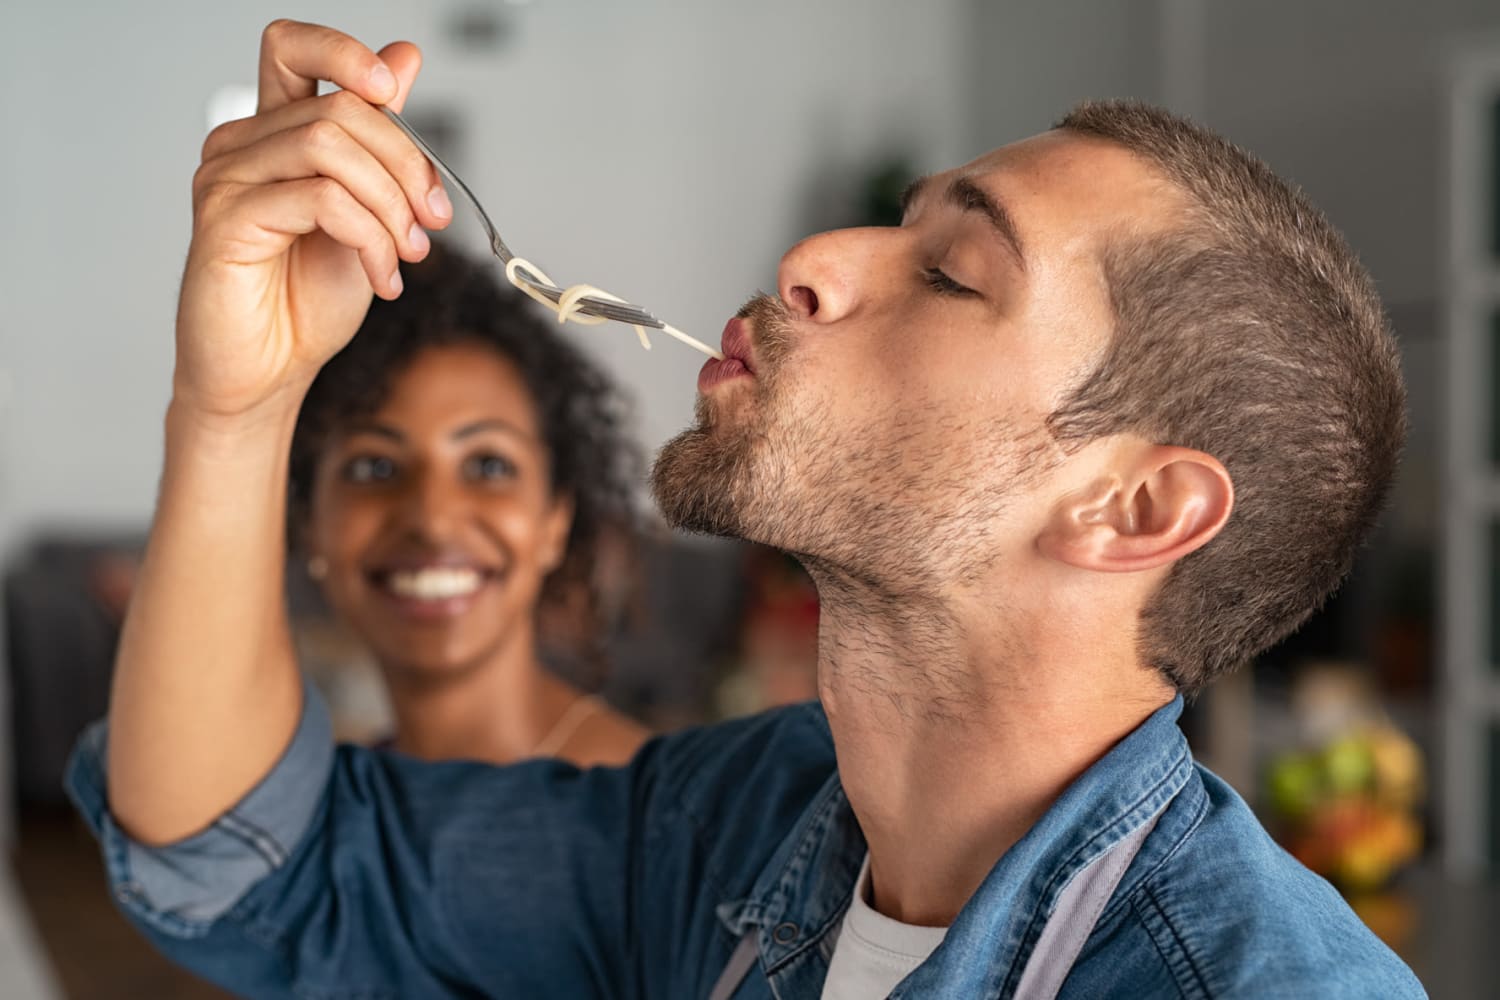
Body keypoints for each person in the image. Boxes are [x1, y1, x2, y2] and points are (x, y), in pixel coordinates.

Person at [67, 20, 1424, 999]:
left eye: (953, 273)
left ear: (1132, 510)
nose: (815, 262)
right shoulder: (736, 824)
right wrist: (239, 403)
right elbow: (251, 869)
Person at [288, 243, 649, 767]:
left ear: (555, 521)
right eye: (375, 467)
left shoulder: (651, 813)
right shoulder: (319, 801)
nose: (433, 522)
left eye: (488, 466)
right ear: (310, 524)